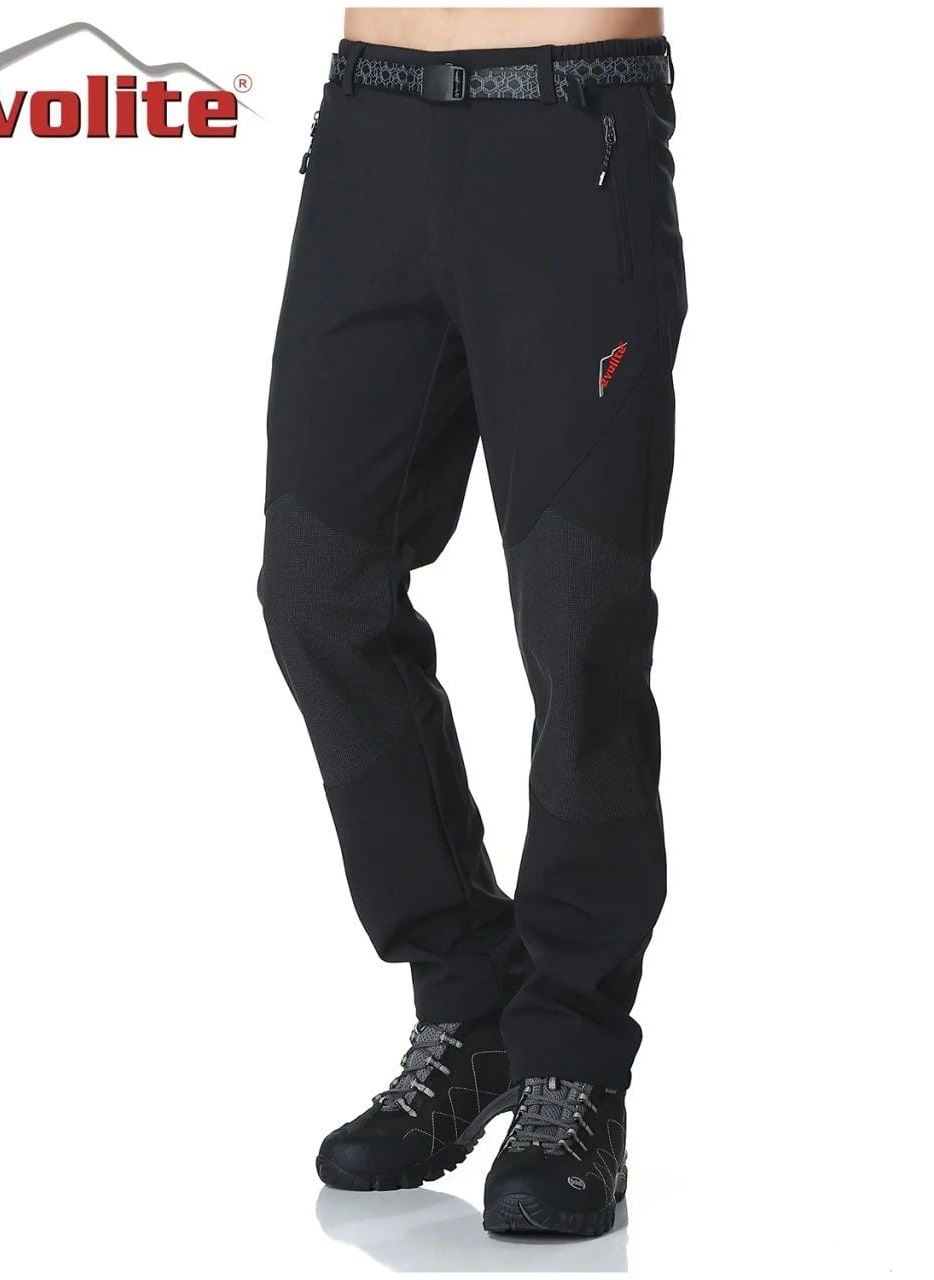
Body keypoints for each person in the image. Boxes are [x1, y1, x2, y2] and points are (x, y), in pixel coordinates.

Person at [258, 6, 684, 1238]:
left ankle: (573, 1063)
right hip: (371, 126)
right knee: (317, 586)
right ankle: (471, 995)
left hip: (571, 130)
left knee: (578, 612)